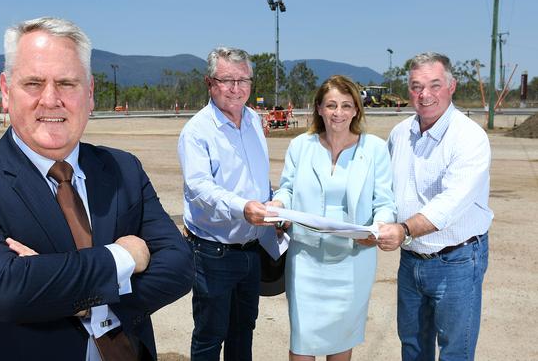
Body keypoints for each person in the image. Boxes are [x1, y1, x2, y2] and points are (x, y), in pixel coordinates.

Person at [0, 17, 193, 361]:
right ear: (6, 91)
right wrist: (125, 257)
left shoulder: (123, 168)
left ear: (90, 93)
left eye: (67, 83)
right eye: (34, 83)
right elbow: (7, 290)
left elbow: (179, 267)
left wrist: (60, 291)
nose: (51, 100)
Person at [270, 75, 396, 361]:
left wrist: (377, 229)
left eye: (346, 105)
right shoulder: (301, 146)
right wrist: (278, 205)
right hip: (306, 261)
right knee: (301, 342)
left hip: (352, 261)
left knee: (341, 344)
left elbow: (385, 202)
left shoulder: (375, 149)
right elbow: (287, 189)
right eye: (331, 105)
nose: (338, 113)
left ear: (356, 110)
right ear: (318, 108)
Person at [377, 52, 493, 360]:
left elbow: (450, 204)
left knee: (455, 351)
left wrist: (402, 229)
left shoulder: (470, 138)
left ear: (451, 86)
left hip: (456, 260)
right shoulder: (400, 134)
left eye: (434, 85)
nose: (425, 95)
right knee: (413, 347)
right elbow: (386, 191)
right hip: (411, 260)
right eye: (416, 86)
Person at [177, 46, 276, 361]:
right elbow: (199, 188)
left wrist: (273, 205)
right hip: (213, 253)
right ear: (210, 83)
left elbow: (259, 179)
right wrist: (244, 207)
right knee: (209, 335)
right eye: (227, 80)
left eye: (243, 80)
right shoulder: (196, 131)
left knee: (243, 330)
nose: (236, 88)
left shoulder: (255, 122)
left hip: (252, 251)